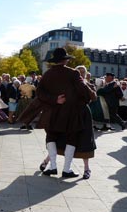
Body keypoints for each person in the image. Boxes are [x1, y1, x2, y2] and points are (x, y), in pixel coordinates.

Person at [37, 48, 96, 178]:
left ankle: (52, 167)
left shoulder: (47, 74)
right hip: (71, 112)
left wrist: (54, 99)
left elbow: (39, 93)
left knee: (51, 137)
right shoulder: (73, 73)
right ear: (65, 60)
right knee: (71, 138)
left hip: (53, 111)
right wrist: (92, 95)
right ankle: (66, 169)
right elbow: (83, 89)